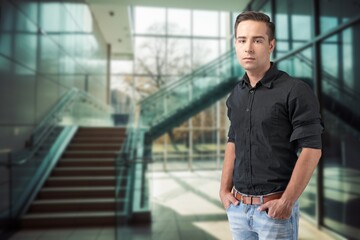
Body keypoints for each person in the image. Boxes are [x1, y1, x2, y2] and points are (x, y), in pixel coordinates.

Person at [219, 11, 323, 240]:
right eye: (242, 40)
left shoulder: (295, 90)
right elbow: (233, 140)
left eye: (257, 40)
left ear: (271, 45)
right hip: (237, 209)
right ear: (235, 44)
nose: (248, 48)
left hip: (274, 210)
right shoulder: (236, 94)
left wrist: (286, 202)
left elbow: (312, 148)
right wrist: (224, 191)